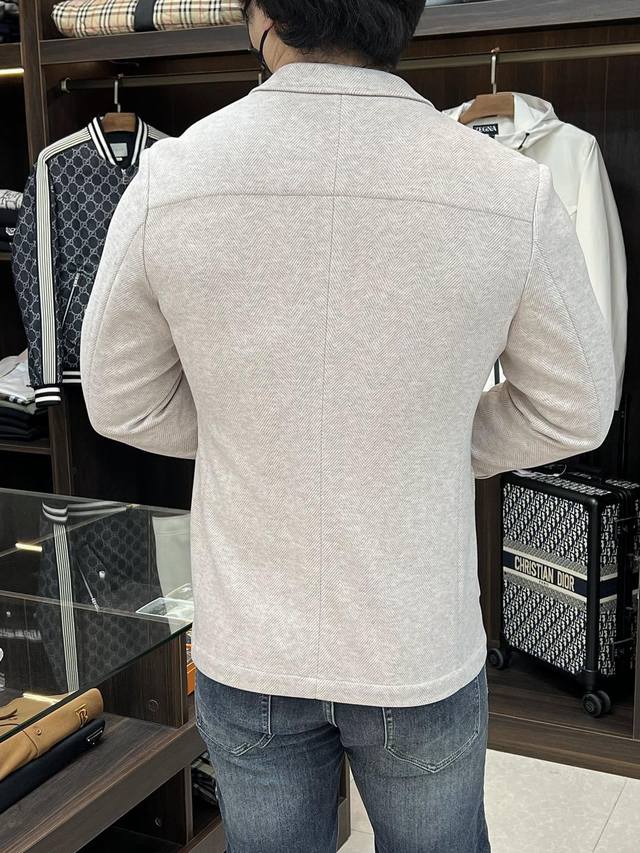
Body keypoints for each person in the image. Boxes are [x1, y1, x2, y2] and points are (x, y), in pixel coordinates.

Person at [80, 1, 616, 850]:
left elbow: (120, 400)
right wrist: (439, 440)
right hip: (416, 635)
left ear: (261, 13)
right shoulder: (507, 187)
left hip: (251, 638)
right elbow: (575, 406)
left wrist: (251, 437)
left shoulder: (172, 178)